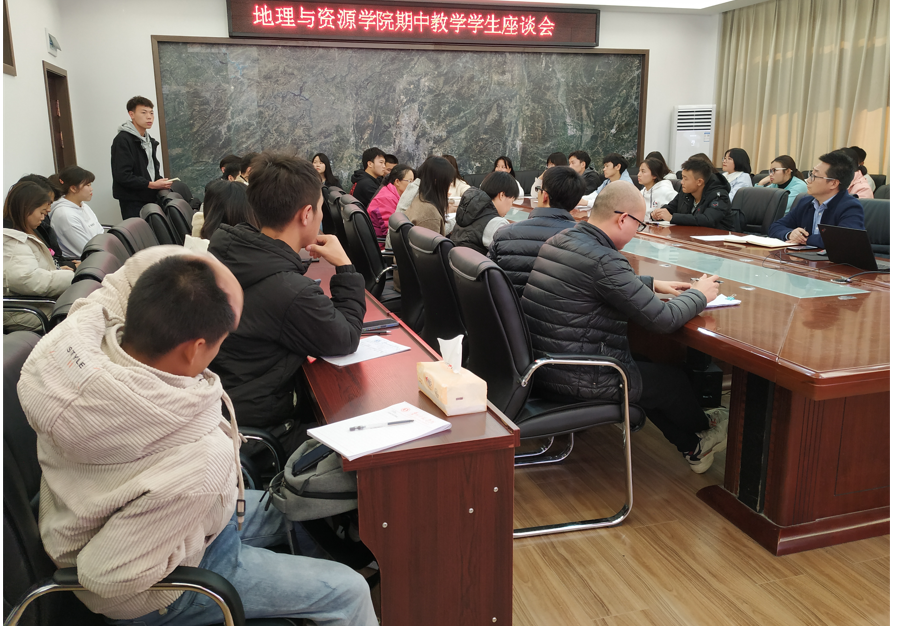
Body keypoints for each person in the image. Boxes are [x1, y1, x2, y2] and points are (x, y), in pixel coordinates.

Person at [17, 247, 377, 626]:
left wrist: (223, 283)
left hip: (123, 517)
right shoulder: (199, 461)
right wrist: (193, 537)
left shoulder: (71, 342)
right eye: (222, 339)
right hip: (161, 589)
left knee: (303, 513)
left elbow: (137, 268)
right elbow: (106, 578)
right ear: (196, 349)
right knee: (348, 591)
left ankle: (298, 598)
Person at [521, 181, 728, 473]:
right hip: (579, 377)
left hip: (545, 365)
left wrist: (651, 284)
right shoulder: (606, 259)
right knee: (671, 382)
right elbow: (663, 319)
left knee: (644, 365)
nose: (637, 232)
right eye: (638, 225)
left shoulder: (562, 239)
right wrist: (700, 294)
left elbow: (592, 281)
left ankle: (692, 445)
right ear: (622, 219)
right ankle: (705, 430)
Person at [208, 152, 366, 442]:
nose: (321, 216)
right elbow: (345, 338)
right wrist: (345, 266)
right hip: (263, 431)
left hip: (227, 409)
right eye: (320, 209)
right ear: (306, 215)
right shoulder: (288, 290)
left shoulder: (232, 250)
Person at [489, 165, 584, 296]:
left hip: (509, 307)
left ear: (544, 196)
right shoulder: (585, 242)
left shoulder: (504, 234)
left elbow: (487, 280)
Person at [3, 181, 74, 330]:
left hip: (34, 303)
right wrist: (71, 277)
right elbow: (27, 280)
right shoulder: (12, 241)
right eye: (41, 213)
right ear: (26, 209)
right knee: (80, 313)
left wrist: (58, 272)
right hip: (22, 311)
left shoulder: (22, 234)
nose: (43, 218)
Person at [768, 150, 865, 248]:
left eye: (814, 176)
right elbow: (775, 226)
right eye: (811, 174)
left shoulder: (850, 207)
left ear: (833, 183)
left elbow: (845, 239)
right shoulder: (806, 202)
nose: (808, 180)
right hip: (803, 256)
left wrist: (805, 239)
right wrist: (790, 234)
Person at [111, 96, 172, 219]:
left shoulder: (149, 140)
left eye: (151, 113)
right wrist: (151, 184)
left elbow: (151, 169)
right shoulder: (123, 140)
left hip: (149, 196)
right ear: (131, 114)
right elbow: (122, 175)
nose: (149, 117)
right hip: (133, 200)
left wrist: (160, 182)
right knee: (139, 230)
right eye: (144, 112)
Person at [651, 156, 736, 229]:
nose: (682, 182)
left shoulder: (719, 196)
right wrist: (659, 214)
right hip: (689, 237)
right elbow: (671, 208)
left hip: (719, 240)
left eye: (685, 178)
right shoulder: (686, 191)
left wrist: (672, 218)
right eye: (682, 178)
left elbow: (707, 220)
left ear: (699, 182)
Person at [14, 174, 76, 269]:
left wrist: (70, 264)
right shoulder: (12, 236)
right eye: (47, 203)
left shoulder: (41, 224)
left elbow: (55, 257)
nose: (48, 209)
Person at [449, 171, 518, 254]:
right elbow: (507, 255)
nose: (510, 206)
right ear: (502, 195)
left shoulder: (466, 211)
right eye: (512, 201)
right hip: (477, 262)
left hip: (455, 260)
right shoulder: (497, 223)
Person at [50, 165, 104, 259]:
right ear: (73, 188)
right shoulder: (65, 215)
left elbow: (100, 232)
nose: (91, 189)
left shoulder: (83, 206)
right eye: (88, 185)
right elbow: (87, 249)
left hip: (99, 253)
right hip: (85, 261)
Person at [405, 156, 455, 236]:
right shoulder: (430, 214)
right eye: (449, 180)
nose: (450, 184)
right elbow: (431, 243)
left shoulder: (420, 199)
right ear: (436, 181)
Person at [367, 164, 416, 239]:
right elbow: (393, 232)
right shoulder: (386, 199)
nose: (412, 185)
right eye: (409, 181)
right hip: (381, 244)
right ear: (397, 182)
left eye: (413, 182)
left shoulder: (390, 193)